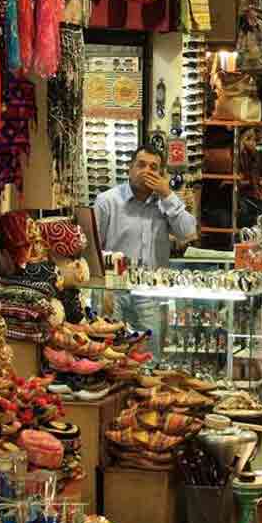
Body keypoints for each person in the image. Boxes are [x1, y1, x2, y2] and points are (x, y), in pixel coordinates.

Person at [94, 145, 198, 364]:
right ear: (130, 169)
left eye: (154, 167)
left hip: (151, 293)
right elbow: (93, 251)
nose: (147, 171)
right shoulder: (107, 202)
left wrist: (168, 194)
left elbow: (188, 232)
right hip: (113, 292)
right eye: (141, 165)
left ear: (161, 174)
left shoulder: (165, 204)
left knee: (149, 359)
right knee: (110, 356)